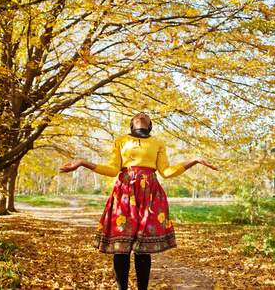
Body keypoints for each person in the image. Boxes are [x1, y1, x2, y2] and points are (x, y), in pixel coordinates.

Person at [60, 112, 218, 290]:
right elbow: (112, 170)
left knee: (143, 248)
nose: (141, 113)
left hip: (150, 195)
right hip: (125, 193)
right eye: (137, 114)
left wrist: (194, 160)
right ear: (131, 124)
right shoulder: (121, 140)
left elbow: (166, 172)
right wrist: (82, 162)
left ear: (149, 125)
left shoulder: (157, 142)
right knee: (122, 246)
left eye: (146, 115)